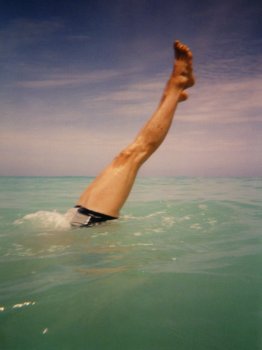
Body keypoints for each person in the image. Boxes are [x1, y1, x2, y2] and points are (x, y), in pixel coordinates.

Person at [69, 40, 195, 227]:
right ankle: (176, 87)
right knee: (133, 155)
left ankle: (171, 95)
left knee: (123, 157)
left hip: (75, 222)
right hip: (87, 227)